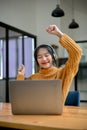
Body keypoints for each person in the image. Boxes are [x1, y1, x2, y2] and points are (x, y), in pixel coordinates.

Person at [17, 25, 82, 105]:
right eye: (39, 57)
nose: (44, 59)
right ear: (37, 60)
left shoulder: (64, 73)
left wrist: (59, 34)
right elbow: (20, 96)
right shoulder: (33, 78)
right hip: (35, 114)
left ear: (53, 57)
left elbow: (77, 52)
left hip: (56, 115)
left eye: (47, 55)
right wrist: (21, 76)